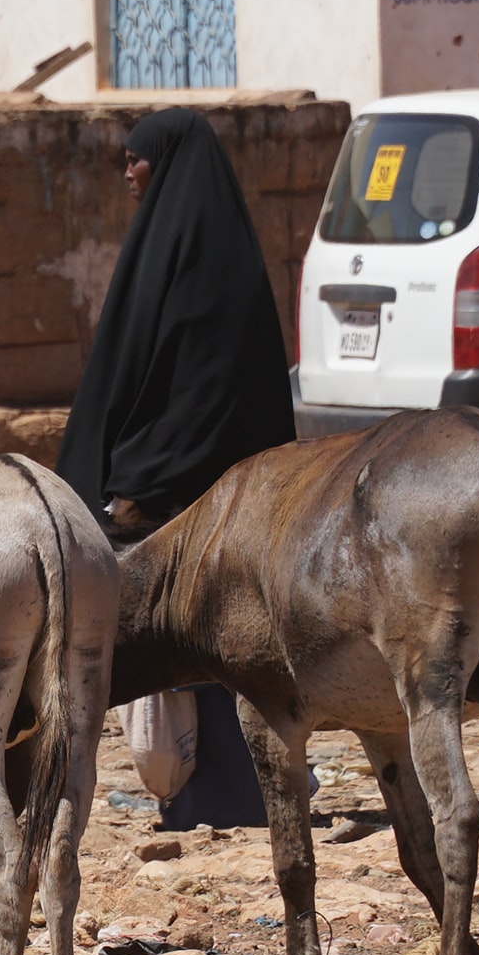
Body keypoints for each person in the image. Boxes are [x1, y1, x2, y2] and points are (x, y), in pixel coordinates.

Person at [58, 106, 297, 830]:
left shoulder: (194, 258)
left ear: (165, 163)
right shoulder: (179, 245)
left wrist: (137, 479)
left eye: (137, 159)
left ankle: (222, 792)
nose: (129, 173)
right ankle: (205, 792)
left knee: (204, 643)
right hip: (197, 490)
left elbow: (206, 389)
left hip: (185, 495)